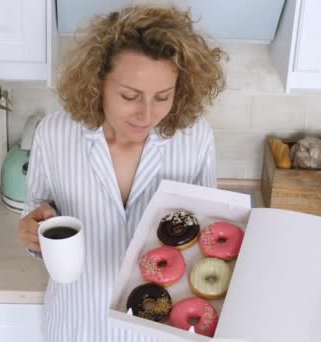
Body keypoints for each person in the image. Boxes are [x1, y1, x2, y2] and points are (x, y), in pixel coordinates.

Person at [18, 4, 226, 341]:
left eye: (163, 97)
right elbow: (38, 208)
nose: (146, 114)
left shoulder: (195, 136)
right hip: (79, 324)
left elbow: (205, 237)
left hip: (161, 331)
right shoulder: (55, 132)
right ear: (97, 81)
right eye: (129, 96)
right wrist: (33, 231)